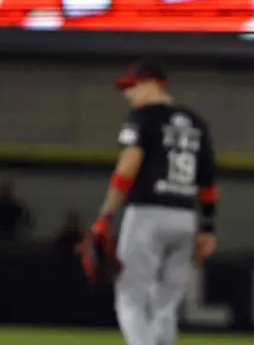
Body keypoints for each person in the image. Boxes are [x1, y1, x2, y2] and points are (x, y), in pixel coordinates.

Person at [85, 59, 219, 345]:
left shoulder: (142, 117)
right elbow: (207, 182)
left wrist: (105, 215)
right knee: (165, 306)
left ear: (153, 83)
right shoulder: (197, 123)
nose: (128, 94)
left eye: (132, 86)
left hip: (147, 214)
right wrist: (207, 228)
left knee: (130, 300)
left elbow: (127, 168)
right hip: (185, 218)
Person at [0, 176, 33, 243]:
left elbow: (26, 222)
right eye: (3, 190)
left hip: (11, 240)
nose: (4, 192)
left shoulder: (16, 207)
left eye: (6, 190)